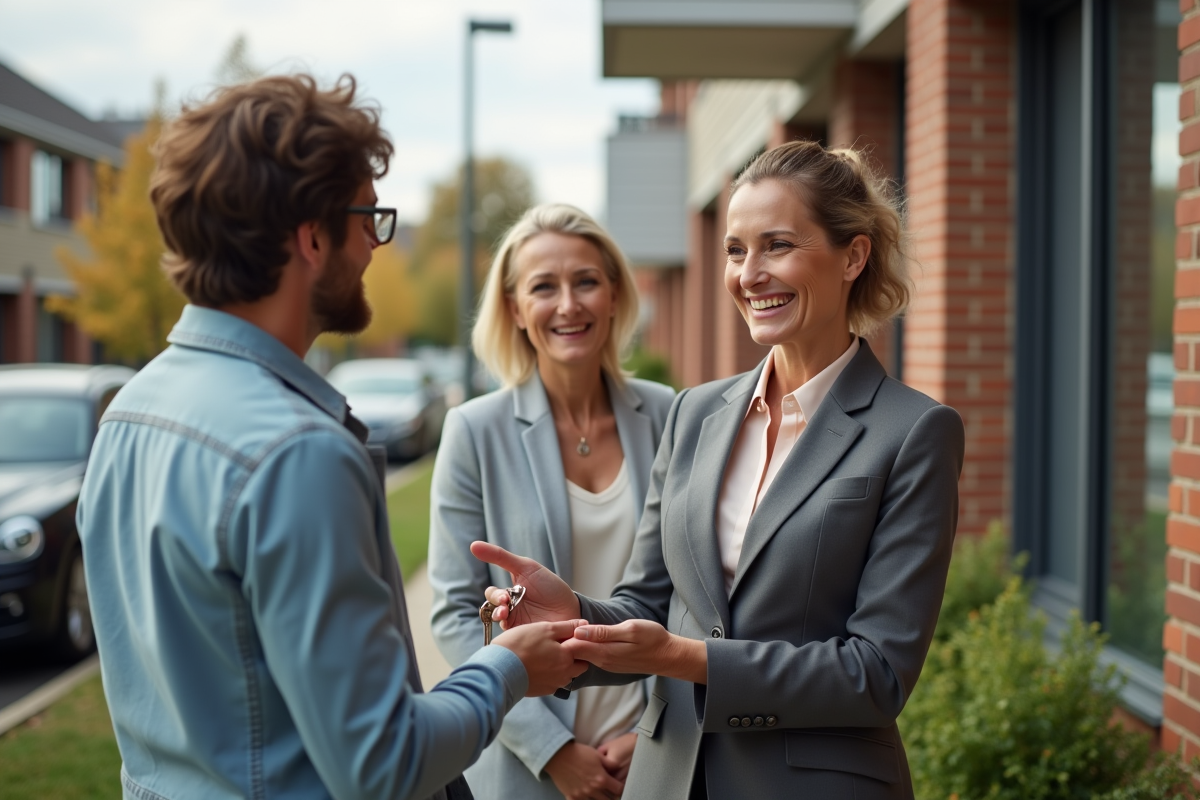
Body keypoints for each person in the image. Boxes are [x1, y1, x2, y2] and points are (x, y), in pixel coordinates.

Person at [76, 74, 587, 800]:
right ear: (312, 236)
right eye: (368, 219)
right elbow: (382, 764)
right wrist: (507, 667)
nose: (376, 247)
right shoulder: (297, 454)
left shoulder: (128, 410)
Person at [474, 140, 966, 800]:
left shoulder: (912, 433)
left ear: (853, 255)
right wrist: (574, 619)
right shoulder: (697, 413)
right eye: (736, 250)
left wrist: (681, 657)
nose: (749, 273)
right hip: (666, 779)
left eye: (778, 245)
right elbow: (649, 604)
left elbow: (876, 673)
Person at [428, 204, 676, 800]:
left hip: (655, 760)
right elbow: (457, 615)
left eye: (586, 281)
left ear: (614, 295)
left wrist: (656, 730)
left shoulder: (670, 414)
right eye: (544, 287)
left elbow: (695, 598)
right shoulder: (473, 430)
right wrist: (554, 750)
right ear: (515, 308)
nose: (568, 304)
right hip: (524, 769)